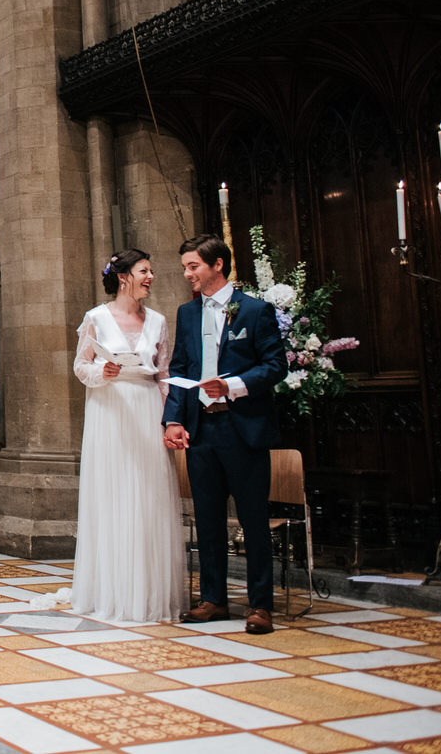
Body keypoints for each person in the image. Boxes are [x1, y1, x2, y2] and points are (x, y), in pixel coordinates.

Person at [165, 233, 287, 634]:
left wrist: (232, 386)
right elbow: (180, 370)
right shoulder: (187, 314)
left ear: (218, 265)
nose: (187, 274)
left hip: (243, 428)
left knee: (253, 521)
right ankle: (213, 599)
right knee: (208, 520)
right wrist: (174, 420)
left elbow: (275, 366)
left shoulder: (254, 311)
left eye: (193, 266)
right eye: (185, 267)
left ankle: (260, 605)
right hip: (202, 430)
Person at [63, 250, 184, 621]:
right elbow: (81, 366)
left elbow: (164, 375)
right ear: (123, 277)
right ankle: (112, 592)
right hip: (110, 410)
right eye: (144, 271)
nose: (151, 277)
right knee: (113, 496)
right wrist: (105, 372)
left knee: (149, 497)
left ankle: (149, 593)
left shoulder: (159, 321)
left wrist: (170, 420)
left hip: (147, 409)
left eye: (151, 271)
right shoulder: (96, 318)